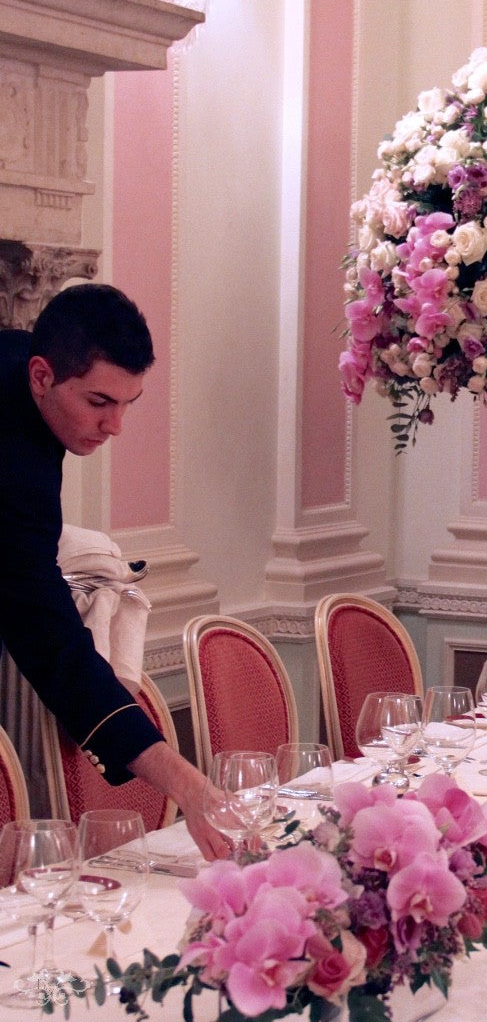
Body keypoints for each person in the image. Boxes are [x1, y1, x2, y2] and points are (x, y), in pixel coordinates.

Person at [0, 283, 228, 860]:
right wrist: (186, 783)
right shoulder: (15, 454)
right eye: (100, 402)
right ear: (40, 376)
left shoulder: (29, 400)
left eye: (130, 403)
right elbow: (46, 630)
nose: (116, 426)